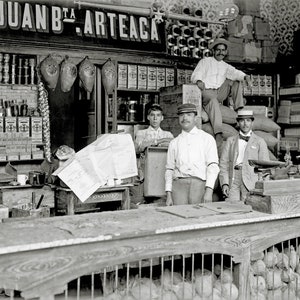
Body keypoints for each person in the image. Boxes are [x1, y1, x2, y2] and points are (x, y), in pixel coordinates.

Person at [191, 37, 252, 152]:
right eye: (218, 50)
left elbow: (235, 72)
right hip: (206, 91)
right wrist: (199, 81)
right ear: (213, 51)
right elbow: (196, 74)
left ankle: (239, 109)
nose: (221, 52)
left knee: (235, 80)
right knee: (213, 101)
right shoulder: (205, 62)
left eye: (223, 50)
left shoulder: (225, 66)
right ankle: (218, 133)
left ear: (226, 52)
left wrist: (246, 77)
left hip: (219, 92)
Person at [165, 103, 219, 206]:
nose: (184, 118)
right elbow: (169, 170)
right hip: (179, 188)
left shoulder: (207, 139)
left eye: (189, 114)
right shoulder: (174, 143)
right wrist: (168, 195)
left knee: (199, 219)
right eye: (181, 115)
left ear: (195, 117)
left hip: (199, 186)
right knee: (179, 219)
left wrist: (209, 191)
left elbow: (213, 166)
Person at [219, 110, 269, 202]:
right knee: (232, 208)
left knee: (249, 207)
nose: (245, 124)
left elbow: (265, 167)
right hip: (233, 179)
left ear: (252, 122)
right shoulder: (230, 141)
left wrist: (263, 186)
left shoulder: (259, 142)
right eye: (242, 121)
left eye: (248, 121)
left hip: (251, 180)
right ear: (238, 122)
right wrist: (224, 183)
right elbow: (223, 164)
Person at [132, 104, 174, 204]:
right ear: (148, 117)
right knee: (142, 199)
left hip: (161, 171)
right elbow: (139, 147)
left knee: (160, 200)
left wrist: (152, 143)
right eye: (152, 115)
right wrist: (160, 142)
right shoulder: (141, 133)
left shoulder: (168, 134)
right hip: (145, 172)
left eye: (158, 115)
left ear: (162, 118)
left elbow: (172, 144)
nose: (155, 118)